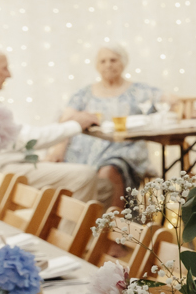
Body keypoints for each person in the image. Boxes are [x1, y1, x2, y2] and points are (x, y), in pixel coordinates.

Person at [0, 45, 113, 205]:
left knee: (104, 187)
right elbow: (23, 139)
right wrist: (75, 125)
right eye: (4, 68)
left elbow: (8, 142)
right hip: (1, 172)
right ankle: (72, 222)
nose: (9, 75)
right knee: (85, 176)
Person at [60, 43, 164, 202]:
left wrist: (182, 108)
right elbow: (65, 121)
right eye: (103, 61)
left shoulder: (139, 90)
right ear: (97, 66)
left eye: (113, 60)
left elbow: (170, 101)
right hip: (84, 153)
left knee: (109, 171)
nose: (108, 65)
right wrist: (58, 150)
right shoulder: (84, 93)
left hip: (125, 148)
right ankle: (86, 214)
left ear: (123, 63)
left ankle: (113, 216)